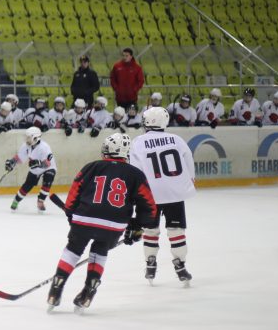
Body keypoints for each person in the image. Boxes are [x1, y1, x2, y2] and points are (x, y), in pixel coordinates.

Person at [46, 132, 157, 313]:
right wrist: (138, 226)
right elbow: (149, 206)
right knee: (100, 250)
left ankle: (56, 288)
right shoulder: (136, 174)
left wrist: (71, 215)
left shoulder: (91, 167)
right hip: (114, 224)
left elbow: (75, 192)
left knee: (73, 249)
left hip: (84, 219)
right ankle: (89, 290)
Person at [129, 107, 195, 285]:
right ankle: (180, 263)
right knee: (176, 230)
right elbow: (189, 164)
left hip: (150, 194)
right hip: (174, 193)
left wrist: (137, 194)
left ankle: (150, 261)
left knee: (150, 230)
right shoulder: (177, 140)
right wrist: (187, 183)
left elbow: (135, 171)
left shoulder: (138, 142)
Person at [4, 126, 57, 211]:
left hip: (48, 168)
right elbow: (20, 157)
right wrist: (12, 162)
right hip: (35, 170)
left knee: (48, 181)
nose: (27, 139)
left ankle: (40, 201)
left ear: (35, 138)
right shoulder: (26, 146)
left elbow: (47, 164)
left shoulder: (44, 147)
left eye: (29, 137)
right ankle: (16, 200)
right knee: (27, 185)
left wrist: (38, 163)